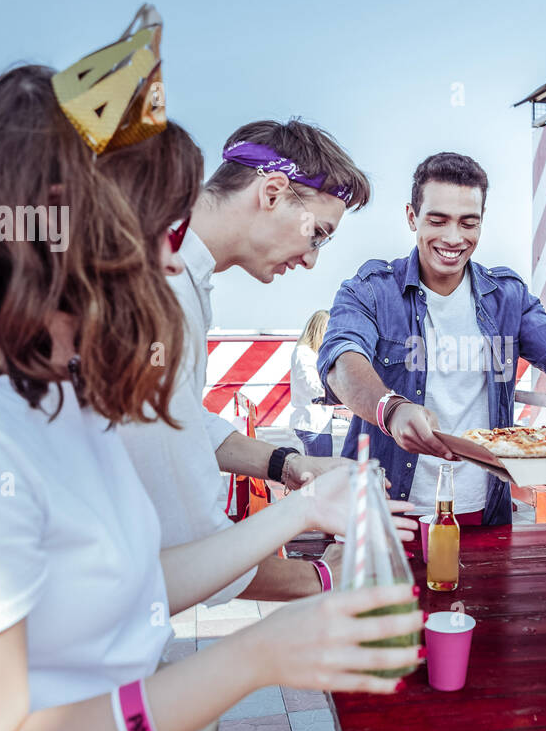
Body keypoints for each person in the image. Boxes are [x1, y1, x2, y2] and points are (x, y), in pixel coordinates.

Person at [0, 21, 420, 731]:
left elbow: (135, 584)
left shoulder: (51, 394)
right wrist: (260, 653)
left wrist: (298, 511)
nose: (174, 258)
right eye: (159, 227)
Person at [115, 118, 373, 602]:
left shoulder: (182, 274)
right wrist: (324, 576)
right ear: (272, 192)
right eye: (317, 234)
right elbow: (194, 548)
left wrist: (288, 464)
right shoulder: (164, 291)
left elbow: (182, 421)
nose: (312, 259)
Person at [318, 151, 546, 526]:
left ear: (481, 224)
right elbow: (340, 361)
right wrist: (391, 410)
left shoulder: (508, 296)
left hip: (483, 511)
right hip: (384, 512)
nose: (453, 238)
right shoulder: (371, 290)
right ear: (412, 217)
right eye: (438, 220)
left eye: (468, 223)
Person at [290, 310, 336, 456]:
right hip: (313, 423)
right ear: (320, 330)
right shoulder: (303, 353)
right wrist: (339, 390)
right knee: (321, 473)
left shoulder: (312, 353)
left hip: (317, 423)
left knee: (316, 472)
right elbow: (312, 385)